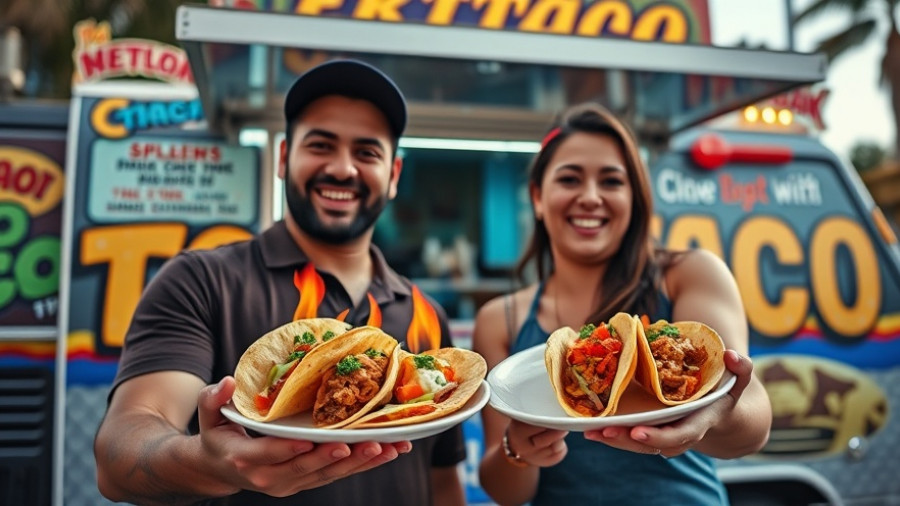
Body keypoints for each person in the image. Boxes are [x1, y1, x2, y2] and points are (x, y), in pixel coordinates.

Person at [94, 60, 466, 506]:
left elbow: (442, 481)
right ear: (284, 157)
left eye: (367, 152)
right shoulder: (200, 281)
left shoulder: (425, 313)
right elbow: (121, 454)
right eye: (321, 145)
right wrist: (206, 463)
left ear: (394, 176)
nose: (344, 169)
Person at [472, 103, 772, 505]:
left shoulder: (690, 274)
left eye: (611, 181)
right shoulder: (500, 320)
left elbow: (753, 427)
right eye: (570, 179)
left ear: (635, 199)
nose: (591, 197)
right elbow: (505, 491)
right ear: (538, 198)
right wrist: (518, 451)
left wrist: (714, 415)